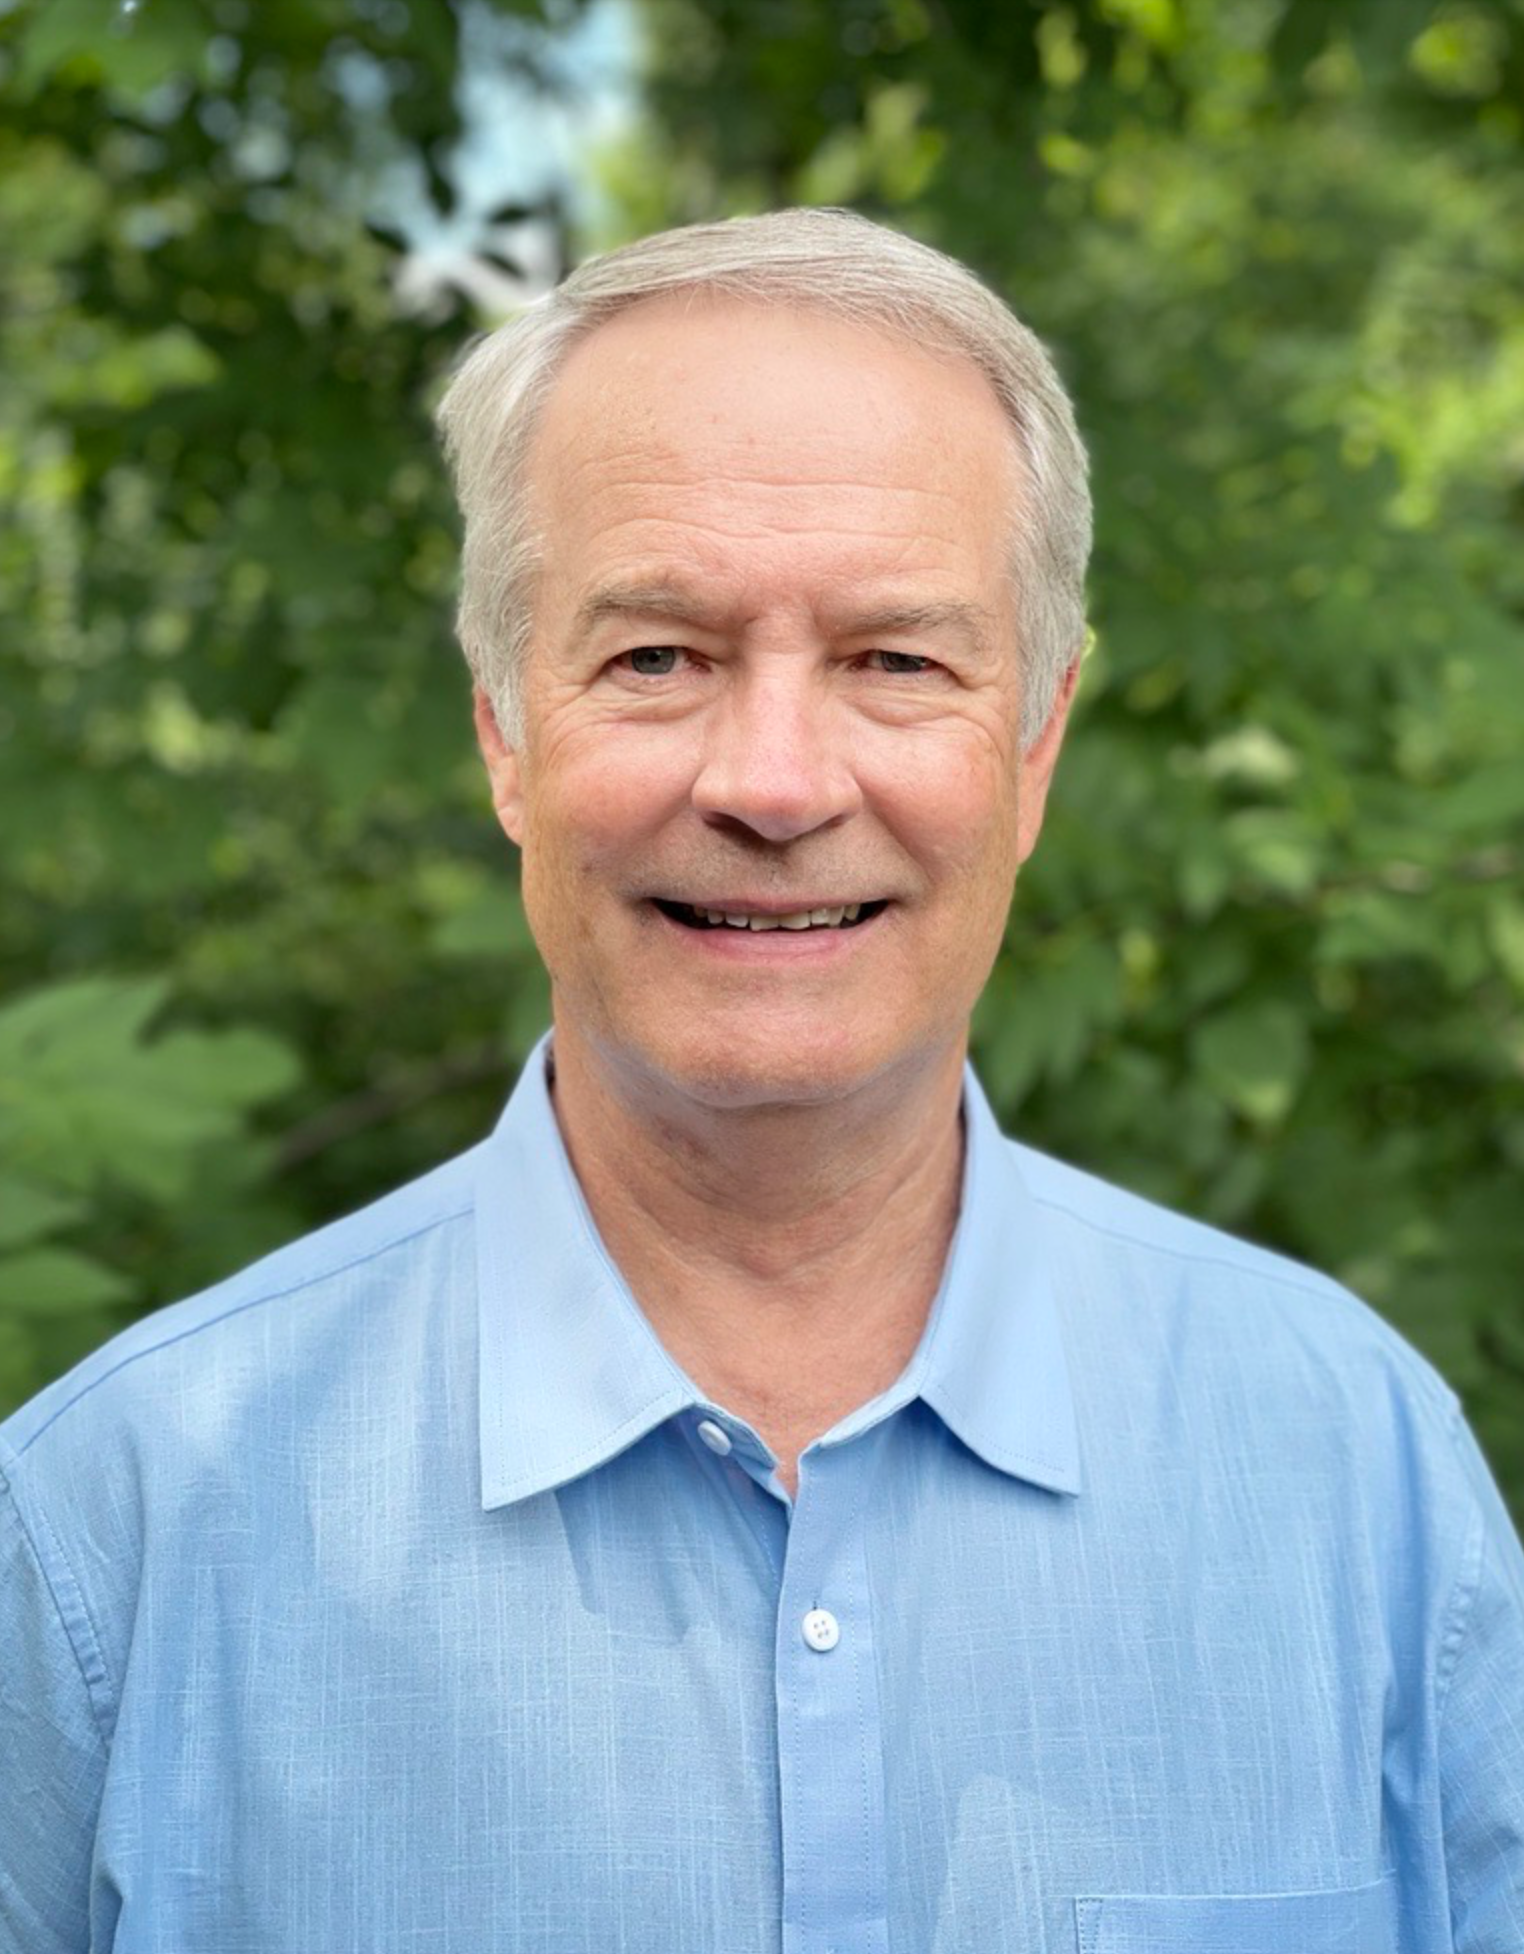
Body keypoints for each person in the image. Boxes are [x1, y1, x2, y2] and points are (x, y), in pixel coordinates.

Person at [2, 209, 1520, 1954]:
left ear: (1036, 744)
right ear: (505, 728)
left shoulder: (1356, 1469)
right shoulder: (107, 1536)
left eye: (895, 659)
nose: (778, 780)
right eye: (658, 656)